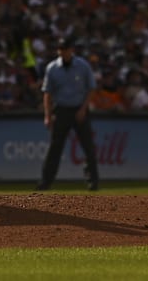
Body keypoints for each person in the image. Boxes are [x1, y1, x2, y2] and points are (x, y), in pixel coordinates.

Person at [37, 37, 99, 191]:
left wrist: (84, 109)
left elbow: (91, 88)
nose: (63, 52)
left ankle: (93, 182)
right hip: (61, 110)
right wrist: (47, 115)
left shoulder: (82, 65)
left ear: (71, 49)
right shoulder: (52, 68)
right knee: (55, 148)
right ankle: (46, 182)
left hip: (79, 109)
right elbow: (47, 94)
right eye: (60, 49)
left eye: (65, 49)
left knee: (88, 147)